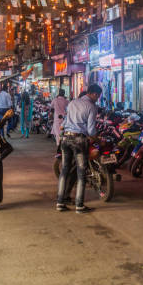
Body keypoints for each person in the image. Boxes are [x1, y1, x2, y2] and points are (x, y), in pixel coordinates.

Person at [56, 84, 102, 214]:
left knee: (64, 171)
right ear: (93, 94)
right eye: (98, 96)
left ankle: (60, 202)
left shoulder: (72, 102)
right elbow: (91, 130)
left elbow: (65, 122)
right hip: (79, 140)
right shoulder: (91, 107)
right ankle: (79, 205)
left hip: (65, 138)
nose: (98, 98)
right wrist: (98, 140)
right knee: (81, 173)